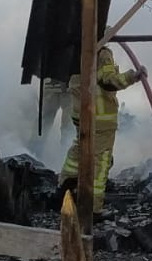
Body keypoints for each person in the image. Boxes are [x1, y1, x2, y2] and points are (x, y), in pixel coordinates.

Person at [59, 46, 144, 209]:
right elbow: (107, 81)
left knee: (79, 150)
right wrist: (133, 76)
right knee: (101, 162)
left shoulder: (79, 50)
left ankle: (65, 189)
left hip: (81, 116)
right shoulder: (103, 52)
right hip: (101, 119)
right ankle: (92, 208)